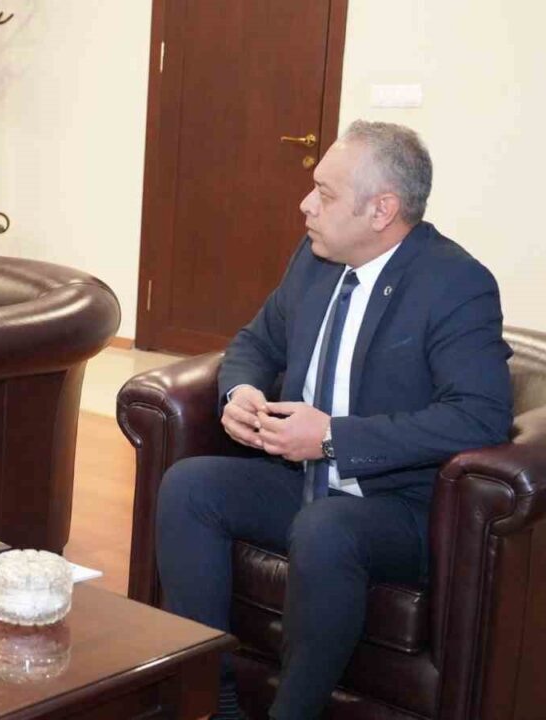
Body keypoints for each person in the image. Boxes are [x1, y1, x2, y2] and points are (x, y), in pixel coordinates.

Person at [154, 121, 512, 720]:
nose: (305, 204)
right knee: (189, 487)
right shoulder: (316, 259)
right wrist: (241, 391)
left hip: (399, 504)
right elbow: (256, 342)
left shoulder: (456, 284)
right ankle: (209, 698)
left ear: (382, 210)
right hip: (301, 480)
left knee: (326, 529)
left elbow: (480, 418)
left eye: (324, 193)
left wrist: (330, 438)